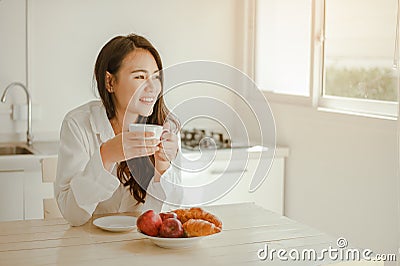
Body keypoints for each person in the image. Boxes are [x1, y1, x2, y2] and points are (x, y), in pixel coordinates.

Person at [55, 34, 182, 226]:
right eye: (140, 76)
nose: (153, 87)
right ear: (110, 82)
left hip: (141, 245)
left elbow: (169, 217)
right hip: (87, 245)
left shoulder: (167, 126)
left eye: (156, 77)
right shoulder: (78, 124)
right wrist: (106, 156)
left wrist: (162, 167)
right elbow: (73, 216)